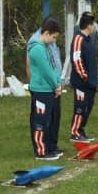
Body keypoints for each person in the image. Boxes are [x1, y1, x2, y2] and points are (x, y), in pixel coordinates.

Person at [26, 19, 63, 156]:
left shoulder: (46, 48)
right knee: (40, 121)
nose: (54, 41)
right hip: (41, 91)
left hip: (49, 90)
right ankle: (40, 151)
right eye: (53, 37)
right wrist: (56, 85)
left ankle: (48, 147)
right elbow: (46, 70)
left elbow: (54, 68)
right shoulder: (37, 49)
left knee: (49, 120)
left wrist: (58, 83)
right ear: (46, 33)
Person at [69, 11, 97, 142]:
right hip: (81, 82)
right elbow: (76, 60)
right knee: (80, 107)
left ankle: (81, 129)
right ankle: (75, 132)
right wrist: (84, 77)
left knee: (88, 106)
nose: (94, 27)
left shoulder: (89, 39)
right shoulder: (78, 39)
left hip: (91, 82)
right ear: (88, 26)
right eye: (93, 24)